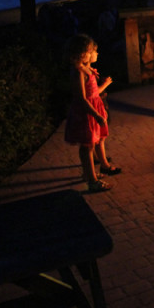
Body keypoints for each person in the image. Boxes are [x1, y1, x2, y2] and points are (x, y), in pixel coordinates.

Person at [64, 34, 121, 193]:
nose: (93, 53)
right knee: (87, 146)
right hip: (86, 113)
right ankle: (92, 181)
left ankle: (89, 174)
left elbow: (93, 93)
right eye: (90, 51)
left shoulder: (86, 69)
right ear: (82, 53)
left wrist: (103, 86)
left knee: (91, 144)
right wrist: (96, 115)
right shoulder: (78, 72)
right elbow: (82, 98)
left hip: (93, 109)